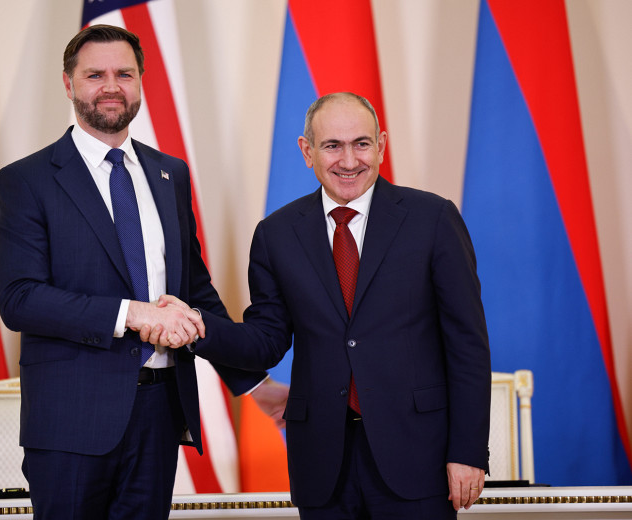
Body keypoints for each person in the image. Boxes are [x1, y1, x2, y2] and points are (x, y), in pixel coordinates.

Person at [0, 24, 287, 520]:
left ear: (140, 82)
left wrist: (255, 386)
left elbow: (194, 296)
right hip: (71, 423)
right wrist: (132, 314)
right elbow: (20, 298)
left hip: (159, 414)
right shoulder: (28, 180)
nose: (111, 86)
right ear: (68, 83)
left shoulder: (170, 173)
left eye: (124, 74)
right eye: (95, 75)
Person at [155, 92, 491, 519]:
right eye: (333, 146)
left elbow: (467, 345)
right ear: (307, 151)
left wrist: (467, 451)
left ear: (381, 146)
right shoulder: (277, 234)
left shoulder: (433, 219)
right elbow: (266, 340)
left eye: (361, 144)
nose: (349, 160)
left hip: (418, 456)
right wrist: (198, 326)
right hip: (322, 463)